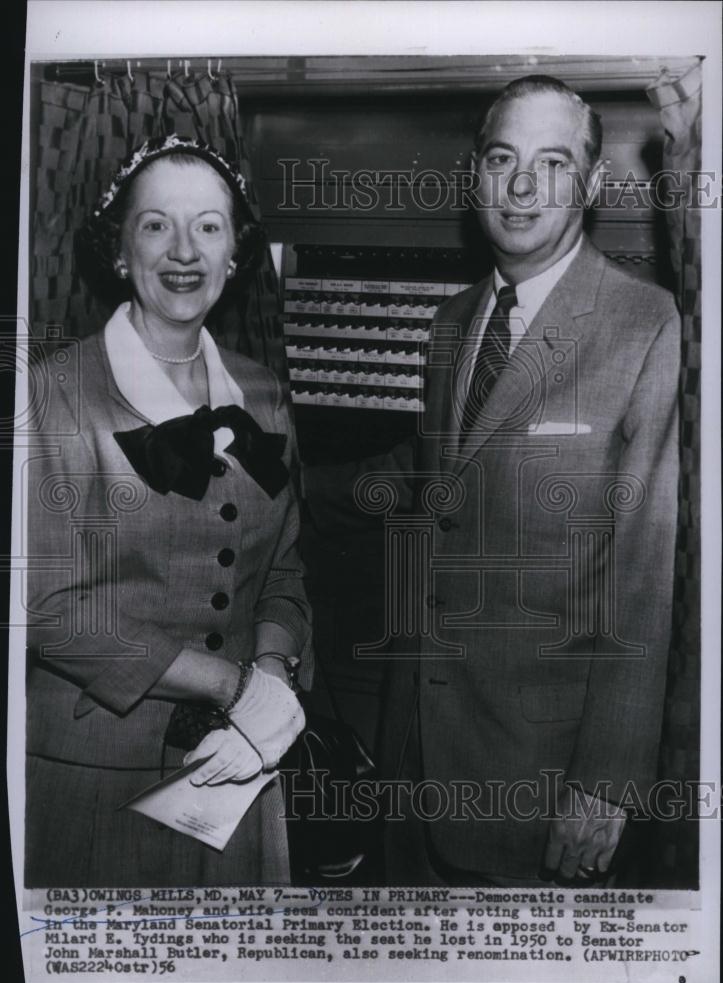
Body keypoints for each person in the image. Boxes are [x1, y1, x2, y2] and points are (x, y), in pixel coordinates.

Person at [305, 76, 681, 886]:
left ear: (589, 183)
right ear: (474, 171)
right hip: (411, 745)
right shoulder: (453, 321)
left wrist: (605, 785)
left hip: (537, 767)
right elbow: (435, 472)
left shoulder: (645, 327)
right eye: (501, 158)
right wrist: (281, 486)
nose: (519, 187)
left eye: (550, 164)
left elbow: (647, 575)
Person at [25, 135, 311, 887]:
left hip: (242, 761)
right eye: (155, 224)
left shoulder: (265, 393)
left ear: (234, 254)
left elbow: (283, 572)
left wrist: (273, 682)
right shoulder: (49, 395)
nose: (183, 250)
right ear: (120, 252)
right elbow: (46, 610)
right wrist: (235, 686)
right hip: (96, 769)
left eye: (208, 227)